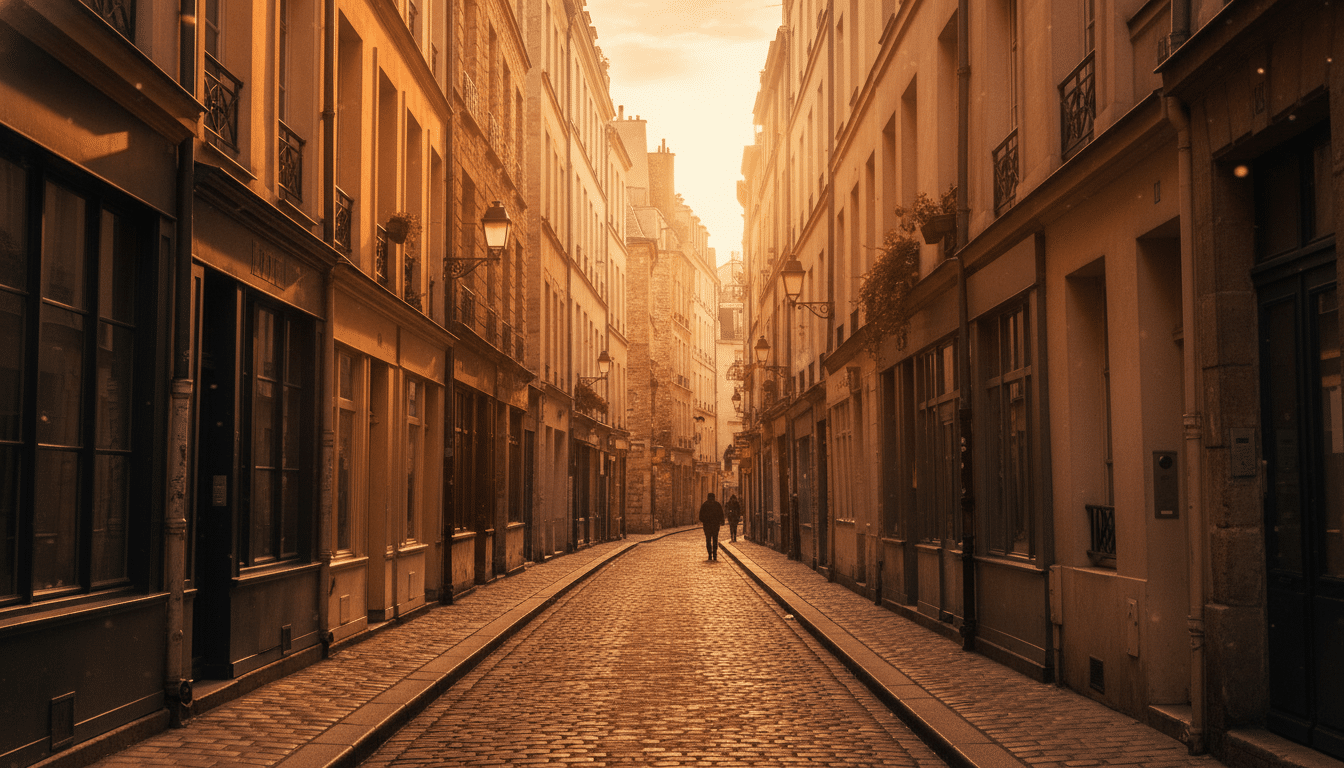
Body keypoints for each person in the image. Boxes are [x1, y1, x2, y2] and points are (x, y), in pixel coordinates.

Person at [698, 493, 725, 561]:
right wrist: (721, 521)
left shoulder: (704, 505)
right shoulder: (717, 505)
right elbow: (721, 514)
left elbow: (700, 516)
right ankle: (715, 553)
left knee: (708, 539)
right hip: (715, 525)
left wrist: (705, 521)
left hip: (707, 525)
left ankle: (710, 554)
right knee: (715, 539)